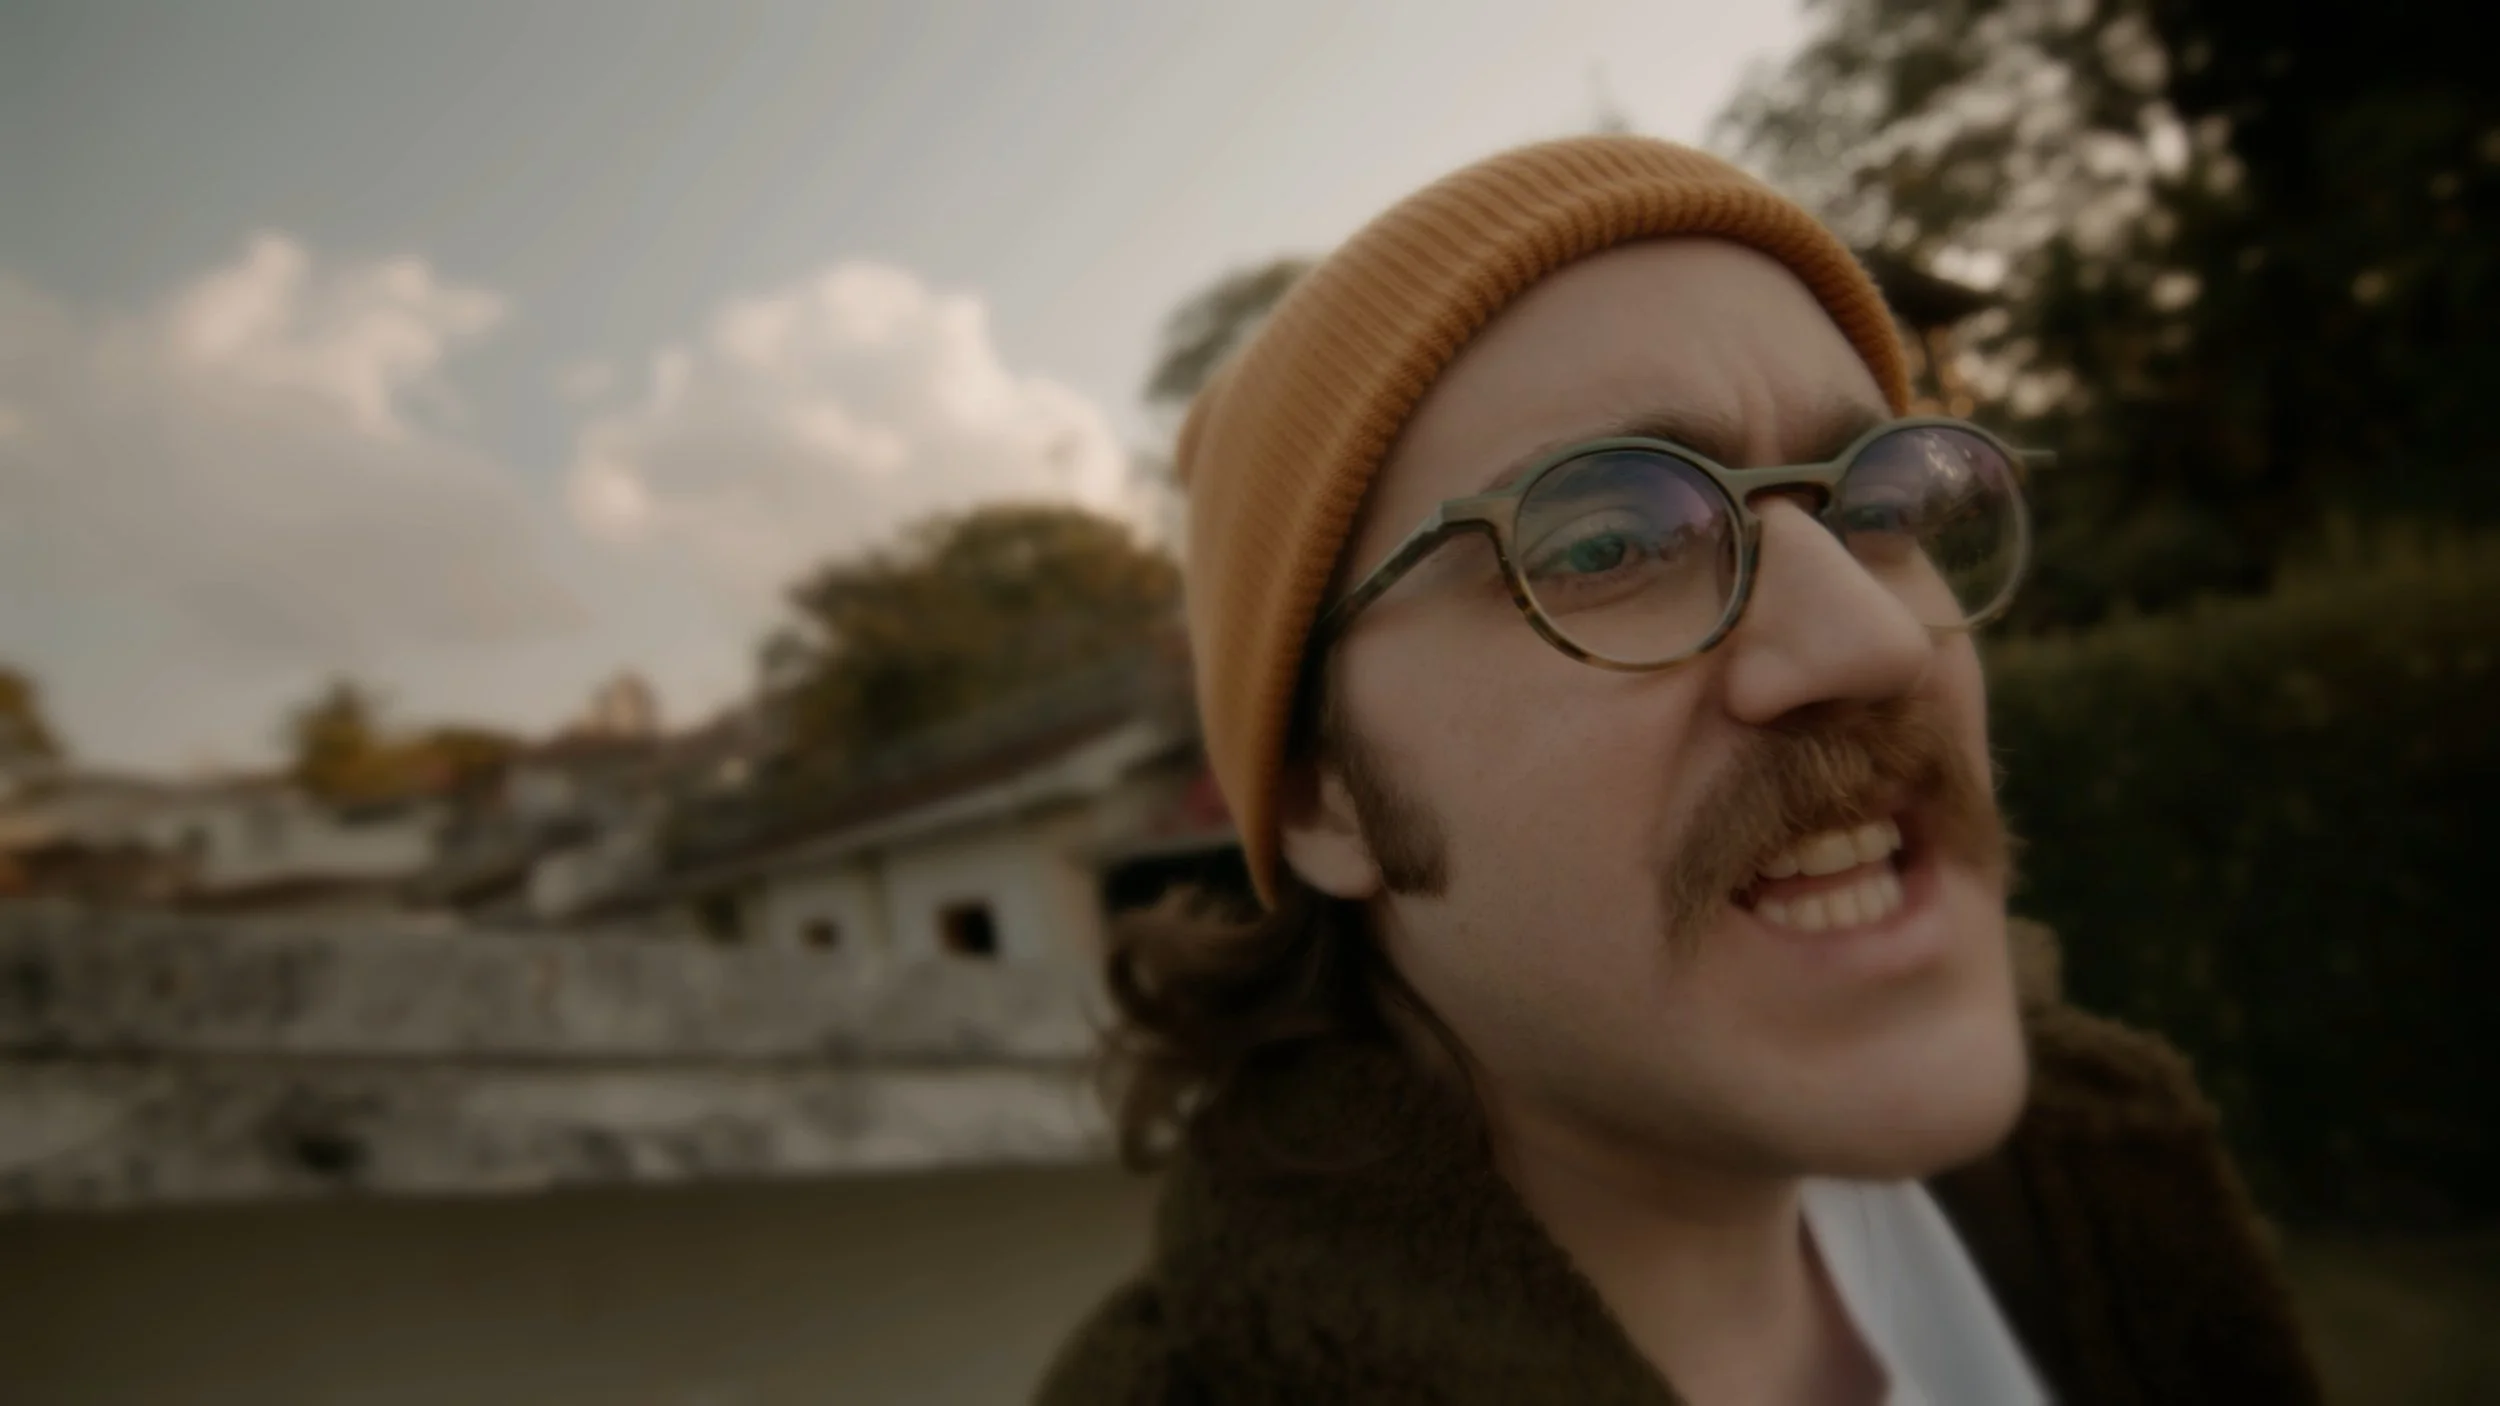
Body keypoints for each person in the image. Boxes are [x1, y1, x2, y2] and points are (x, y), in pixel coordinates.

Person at [1040, 137, 2322, 1405]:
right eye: (1606, 542)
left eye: (1881, 507)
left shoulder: (2104, 1198)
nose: (1875, 639)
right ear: (1324, 795)